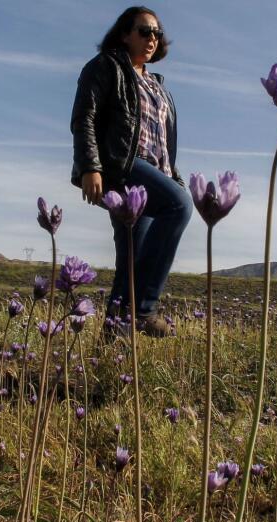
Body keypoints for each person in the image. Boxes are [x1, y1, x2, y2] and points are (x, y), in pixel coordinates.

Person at [70, 5, 192, 337]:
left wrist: (174, 179)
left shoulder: (159, 86)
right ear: (125, 34)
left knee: (131, 260)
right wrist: (90, 166)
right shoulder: (106, 66)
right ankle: (144, 308)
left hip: (157, 172)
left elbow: (165, 142)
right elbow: (86, 118)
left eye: (157, 33)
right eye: (144, 31)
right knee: (180, 205)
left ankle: (111, 350)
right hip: (124, 167)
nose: (152, 38)